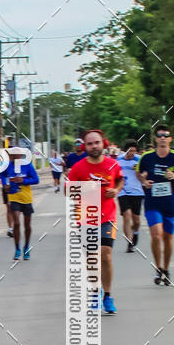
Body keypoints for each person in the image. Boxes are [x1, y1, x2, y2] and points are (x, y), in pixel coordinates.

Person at [66, 128, 124, 314]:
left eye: (96, 142)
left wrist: (116, 191)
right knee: (92, 258)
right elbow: (68, 191)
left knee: (106, 254)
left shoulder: (112, 165)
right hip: (86, 218)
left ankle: (108, 296)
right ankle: (94, 292)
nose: (93, 146)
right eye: (90, 144)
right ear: (85, 146)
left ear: (103, 143)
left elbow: (120, 180)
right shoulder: (79, 168)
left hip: (108, 216)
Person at [138, 124, 174, 285]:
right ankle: (158, 267)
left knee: (168, 238)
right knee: (156, 234)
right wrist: (144, 181)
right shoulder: (147, 157)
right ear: (156, 138)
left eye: (166, 135)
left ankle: (166, 269)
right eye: (160, 135)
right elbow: (139, 173)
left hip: (170, 203)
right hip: (153, 202)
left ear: (170, 139)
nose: (163, 137)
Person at [0, 147, 40, 260]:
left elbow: (36, 179)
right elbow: (3, 175)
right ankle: (17, 248)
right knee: (16, 222)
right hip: (13, 196)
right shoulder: (7, 165)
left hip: (26, 198)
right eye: (13, 155)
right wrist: (5, 184)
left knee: (27, 225)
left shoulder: (27, 165)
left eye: (17, 155)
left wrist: (24, 181)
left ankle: (26, 247)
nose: (15, 157)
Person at [116, 140, 144, 252]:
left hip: (137, 192)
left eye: (134, 151)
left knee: (136, 220)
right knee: (127, 215)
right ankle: (129, 242)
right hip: (123, 191)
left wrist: (139, 170)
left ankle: (135, 232)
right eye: (130, 150)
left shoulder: (140, 160)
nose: (132, 153)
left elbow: (146, 172)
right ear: (125, 150)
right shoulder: (118, 160)